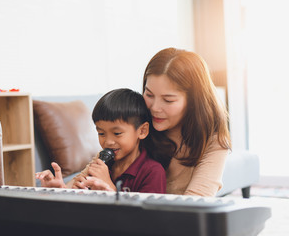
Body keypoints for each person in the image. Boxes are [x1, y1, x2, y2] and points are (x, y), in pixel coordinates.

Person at [74, 48, 231, 197]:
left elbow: (195, 207)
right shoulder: (139, 124)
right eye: (149, 94)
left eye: (168, 100)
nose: (154, 108)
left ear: (193, 101)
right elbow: (82, 179)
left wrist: (112, 193)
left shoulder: (213, 141)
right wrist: (57, 188)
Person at [35, 88, 167, 194]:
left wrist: (109, 188)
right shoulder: (100, 162)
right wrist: (60, 191)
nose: (108, 142)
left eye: (117, 133)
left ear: (142, 131)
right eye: (101, 133)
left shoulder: (152, 172)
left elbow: (146, 222)